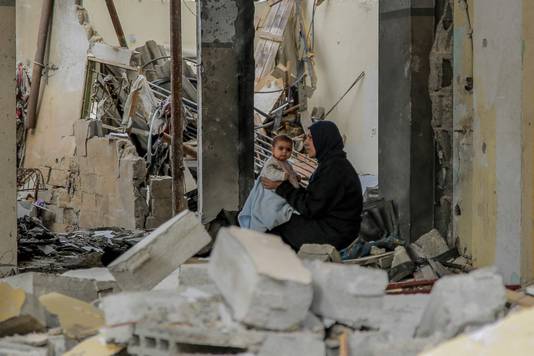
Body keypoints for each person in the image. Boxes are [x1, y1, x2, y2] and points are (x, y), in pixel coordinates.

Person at [262, 121, 363, 251]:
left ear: (323, 139)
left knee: (274, 226)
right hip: (337, 228)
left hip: (335, 233)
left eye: (310, 137)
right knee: (280, 218)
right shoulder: (332, 164)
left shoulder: (334, 169)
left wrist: (282, 187)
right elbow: (316, 199)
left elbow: (310, 207)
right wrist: (293, 186)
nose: (305, 143)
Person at [238, 135, 300, 232]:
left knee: (285, 204)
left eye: (288, 150)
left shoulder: (287, 164)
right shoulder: (271, 162)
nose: (284, 152)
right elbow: (269, 172)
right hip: (270, 192)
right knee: (271, 207)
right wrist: (282, 176)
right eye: (281, 148)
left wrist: (296, 177)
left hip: (281, 190)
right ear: (273, 149)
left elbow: (291, 172)